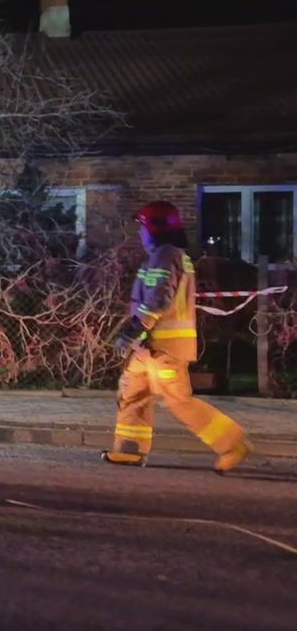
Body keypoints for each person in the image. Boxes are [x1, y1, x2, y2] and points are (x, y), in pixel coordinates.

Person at [104, 201, 252, 472]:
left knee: (178, 401)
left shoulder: (165, 255)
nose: (140, 234)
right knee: (133, 394)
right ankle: (129, 450)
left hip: (163, 347)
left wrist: (134, 331)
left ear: (155, 229)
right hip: (150, 346)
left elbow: (159, 299)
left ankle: (232, 443)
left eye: (143, 228)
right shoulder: (169, 255)